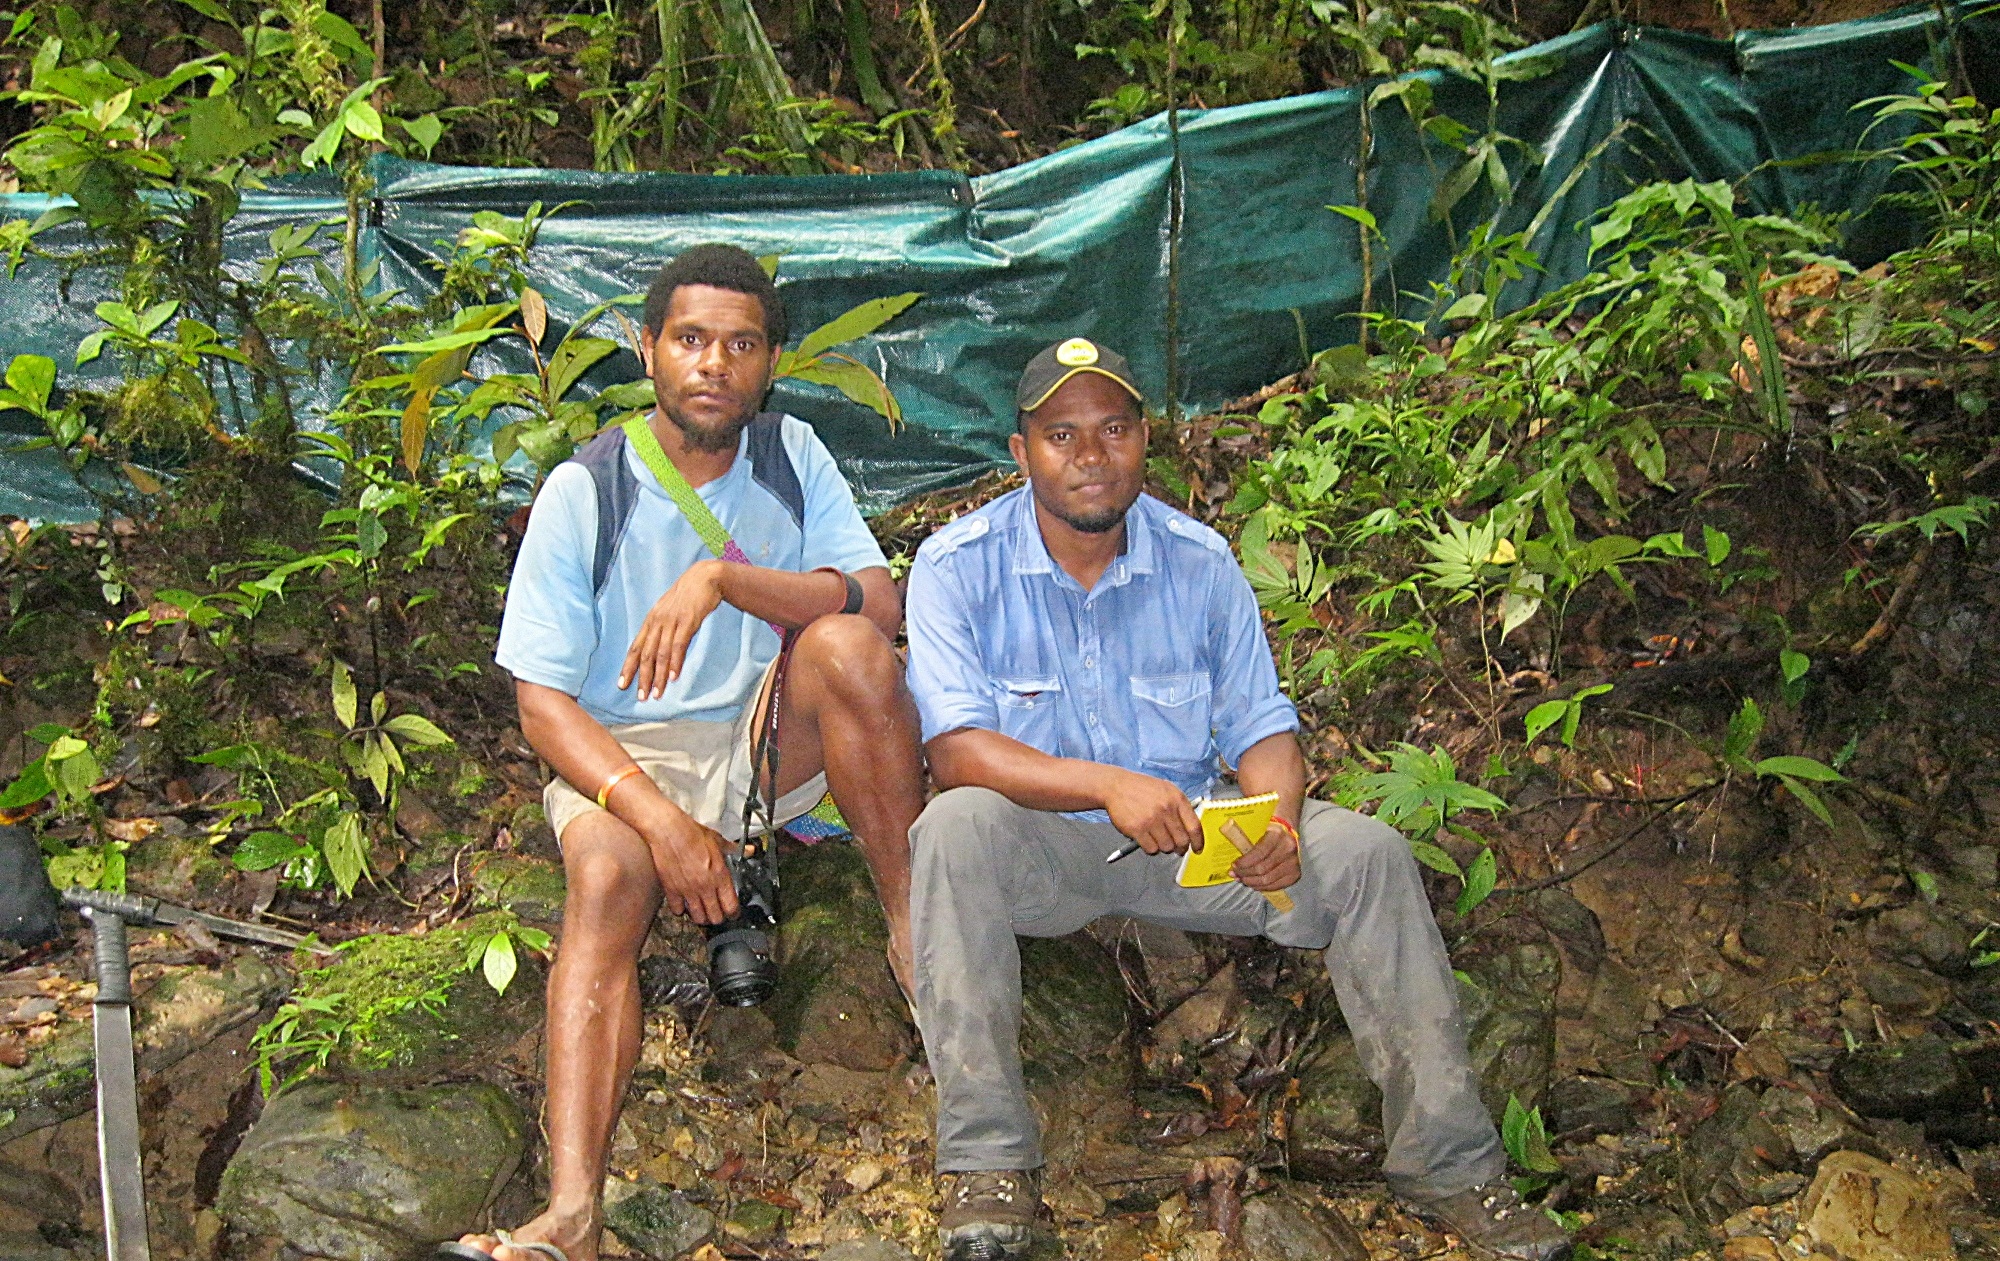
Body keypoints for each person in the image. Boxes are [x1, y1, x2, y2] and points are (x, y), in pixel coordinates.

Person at [901, 337, 1573, 1261]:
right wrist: (1104, 784)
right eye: (1061, 435)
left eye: (1113, 429)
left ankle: (1453, 1166)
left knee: (1368, 855)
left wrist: (1281, 823)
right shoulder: (956, 564)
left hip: (1195, 845)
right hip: (1041, 848)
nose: (1090, 454)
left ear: (1145, 438)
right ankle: (988, 1165)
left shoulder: (1200, 561)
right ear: (1022, 454)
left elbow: (1261, 729)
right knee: (951, 826)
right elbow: (956, 748)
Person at [452, 244, 925, 1261]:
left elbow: (878, 603)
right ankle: (572, 1213)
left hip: (763, 736)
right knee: (604, 877)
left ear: (771, 362)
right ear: (648, 348)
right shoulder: (586, 489)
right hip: (624, 747)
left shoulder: (790, 453)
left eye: (741, 344)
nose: (715, 363)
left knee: (851, 649)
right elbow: (541, 704)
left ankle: (909, 923)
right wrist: (660, 820)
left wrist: (724, 580)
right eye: (692, 339)